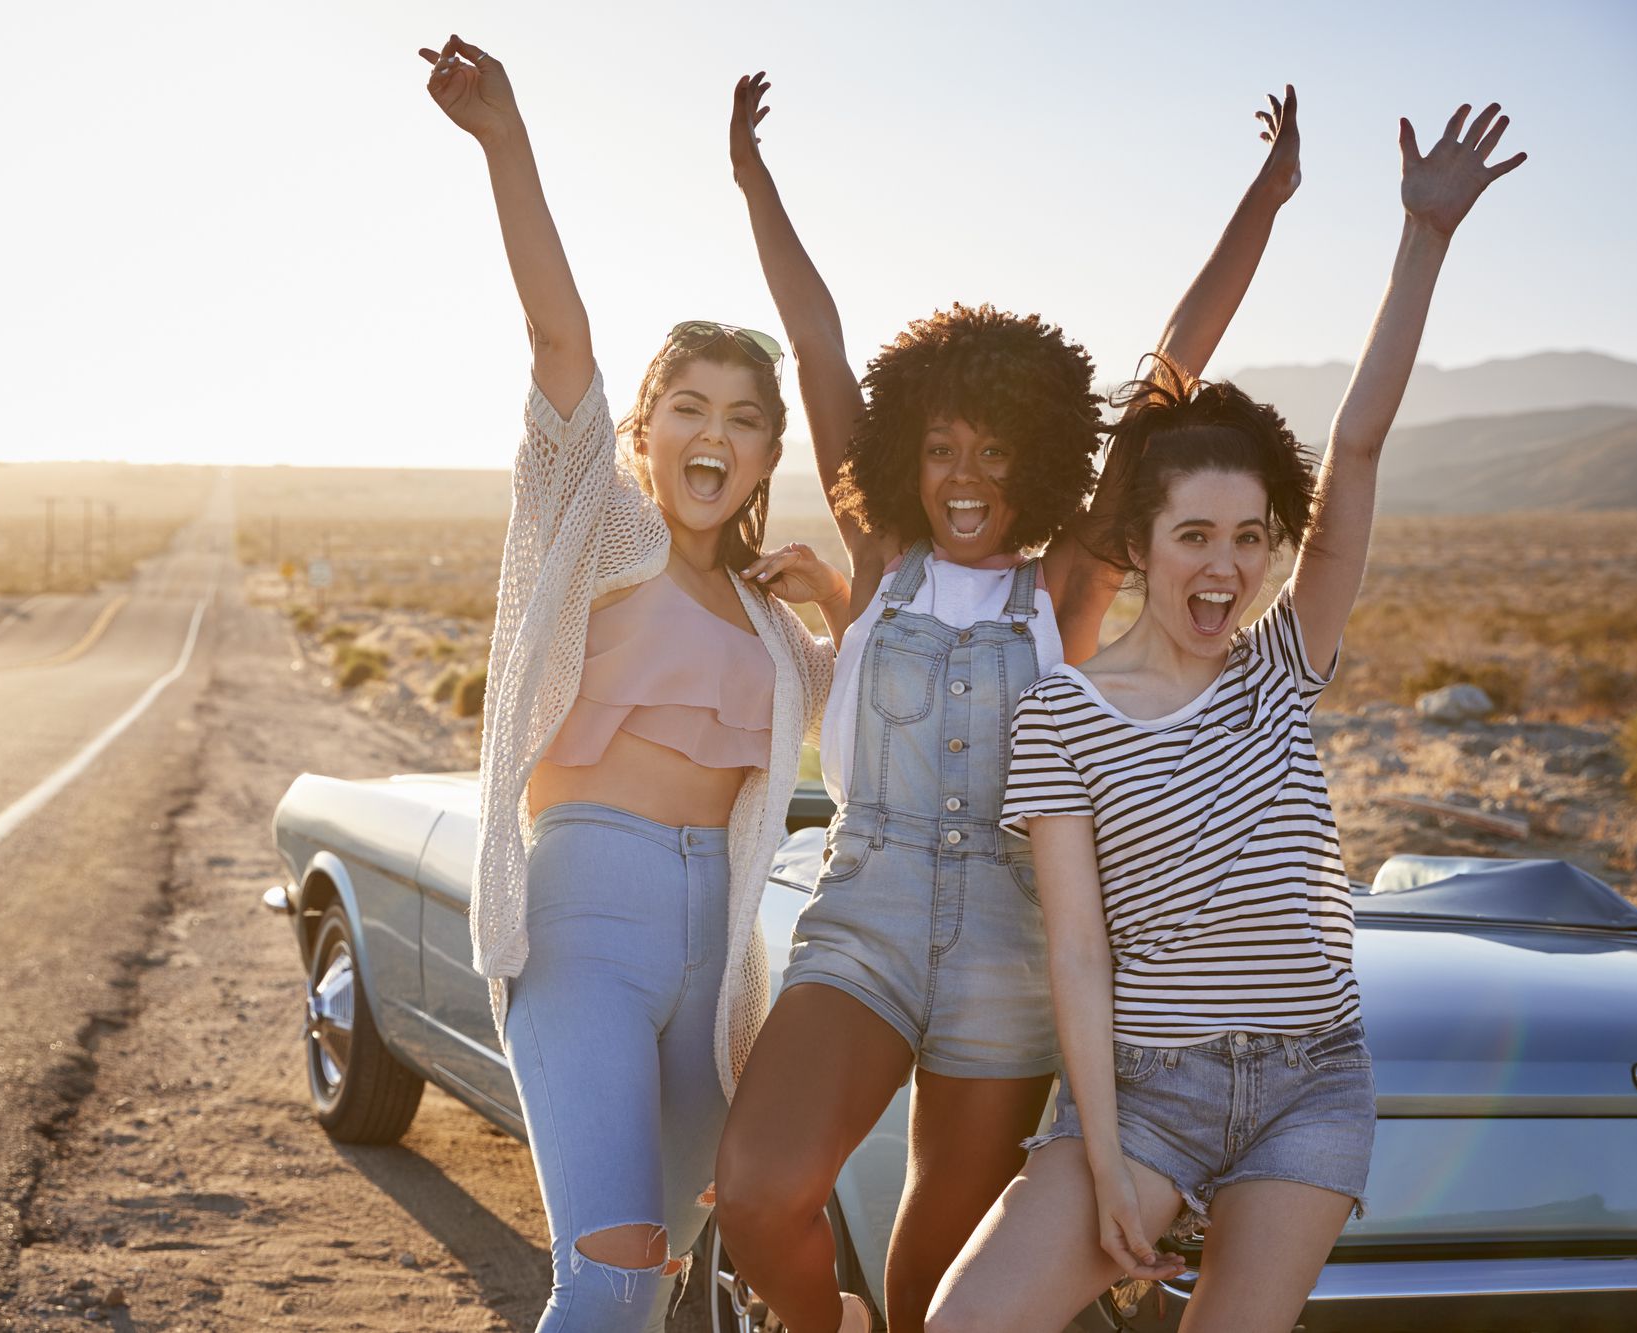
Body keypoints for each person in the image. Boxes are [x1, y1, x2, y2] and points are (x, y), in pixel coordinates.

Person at [712, 73, 1304, 1333]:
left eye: (990, 450)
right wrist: (753, 183)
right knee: (758, 1194)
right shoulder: (876, 558)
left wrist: (1267, 195)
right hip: (862, 919)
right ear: (903, 455)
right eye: (938, 448)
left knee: (940, 1288)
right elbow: (814, 342)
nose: (963, 476)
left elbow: (1166, 368)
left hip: (1011, 953)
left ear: (1028, 456)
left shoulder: (1067, 585)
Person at [927, 102, 1526, 1333]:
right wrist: (1098, 1156)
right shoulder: (1062, 717)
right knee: (964, 1322)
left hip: (1309, 1079)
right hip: (1146, 1093)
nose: (1225, 566)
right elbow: (1078, 956)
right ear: (1140, 545)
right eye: (1193, 535)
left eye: (1248, 538)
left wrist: (1422, 240)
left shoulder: (1278, 664)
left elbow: (1354, 451)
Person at [417, 35, 847, 1333]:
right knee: (601, 1289)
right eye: (688, 406)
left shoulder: (774, 635)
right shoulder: (601, 532)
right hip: (587, 918)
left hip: (718, 956)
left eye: (745, 416)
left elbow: (903, 685)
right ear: (645, 424)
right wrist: (505, 141)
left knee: (660, 1285)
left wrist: (835, 593)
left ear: (771, 447)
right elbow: (560, 334)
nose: (714, 434)